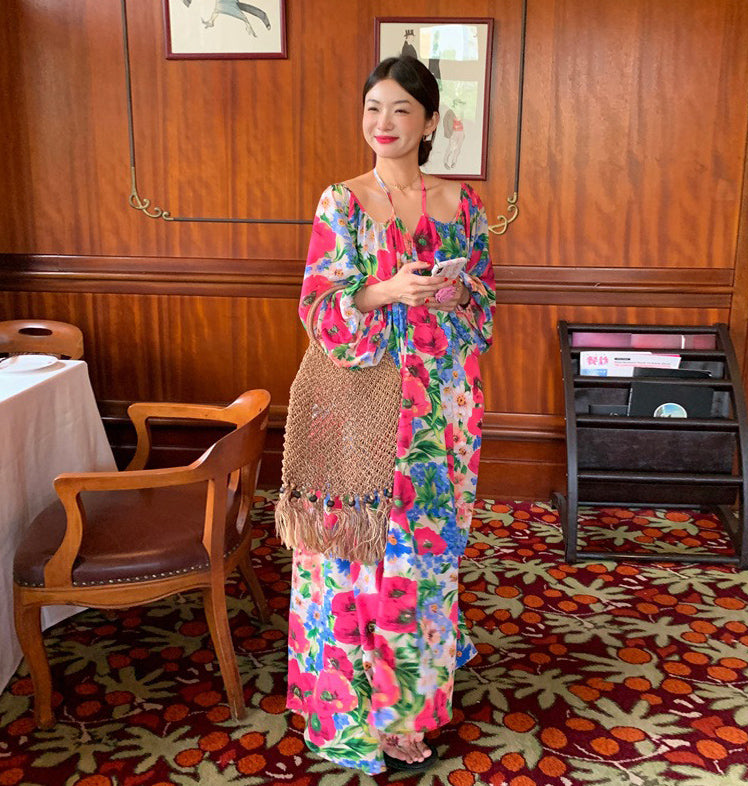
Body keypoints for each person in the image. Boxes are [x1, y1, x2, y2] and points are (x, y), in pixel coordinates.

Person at [284, 55, 496, 775]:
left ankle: (408, 712)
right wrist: (384, 292)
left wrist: (456, 295)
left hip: (443, 410)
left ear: (430, 122)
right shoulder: (341, 202)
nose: (384, 122)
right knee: (355, 558)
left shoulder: (463, 204)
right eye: (374, 107)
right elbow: (317, 308)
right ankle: (348, 715)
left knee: (424, 559)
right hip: (360, 405)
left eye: (402, 109)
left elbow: (486, 305)